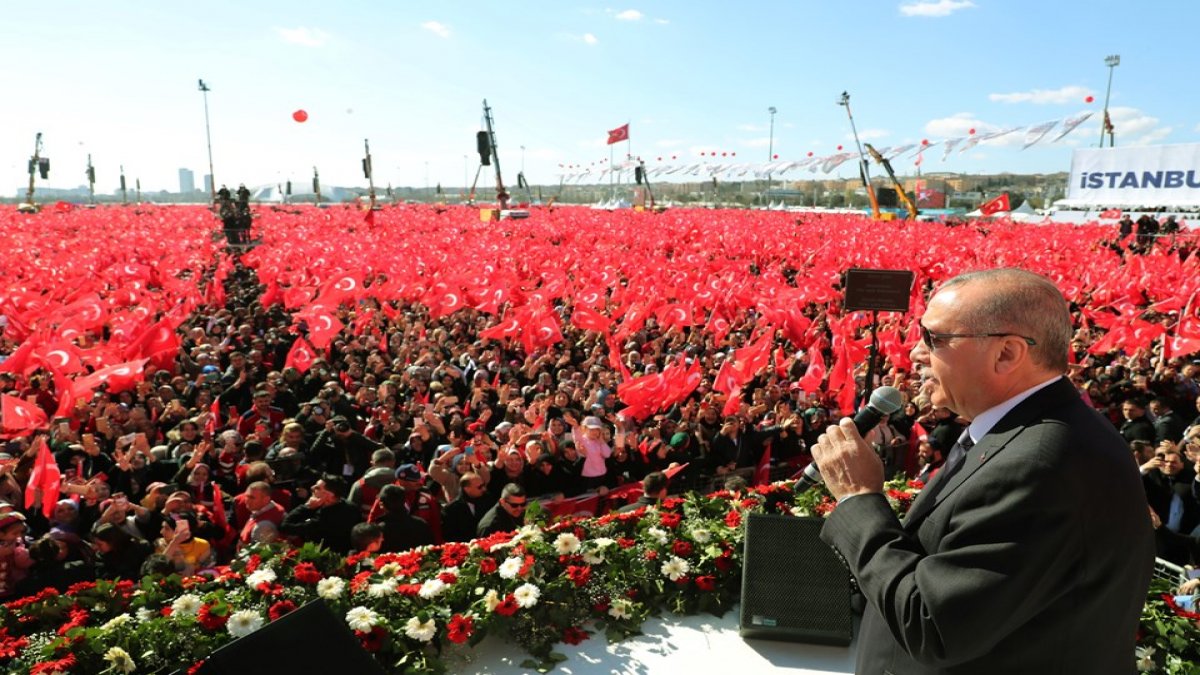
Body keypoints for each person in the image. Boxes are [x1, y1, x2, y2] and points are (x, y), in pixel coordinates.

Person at [812, 267, 1154, 674]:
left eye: (934, 339)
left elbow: (933, 624)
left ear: (1007, 353)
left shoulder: (1040, 466)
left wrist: (859, 499)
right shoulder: (1027, 433)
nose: (915, 353)